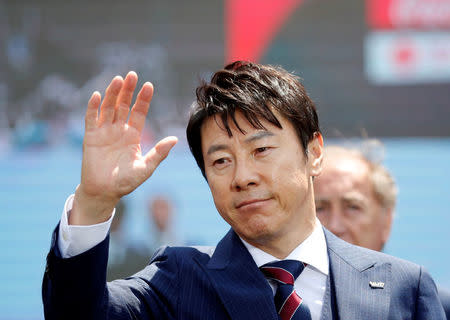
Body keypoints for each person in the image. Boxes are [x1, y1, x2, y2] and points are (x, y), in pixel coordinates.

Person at [42, 62, 446, 319]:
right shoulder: (177, 280)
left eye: (261, 150)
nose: (242, 176)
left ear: (314, 152)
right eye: (221, 161)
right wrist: (95, 200)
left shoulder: (403, 289)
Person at [313, 144, 450, 319]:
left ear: (386, 221)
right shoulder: (283, 296)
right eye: (319, 208)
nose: (335, 225)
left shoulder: (429, 305)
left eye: (353, 207)